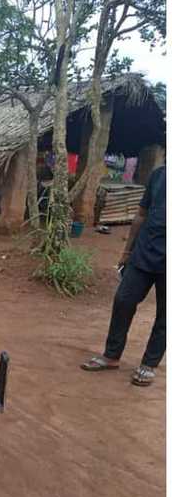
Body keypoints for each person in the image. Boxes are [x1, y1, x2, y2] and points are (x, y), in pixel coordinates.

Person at [81, 165, 165, 386]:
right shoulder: (159, 175)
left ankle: (149, 364)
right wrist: (127, 251)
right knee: (123, 300)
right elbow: (141, 214)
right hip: (144, 251)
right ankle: (111, 355)